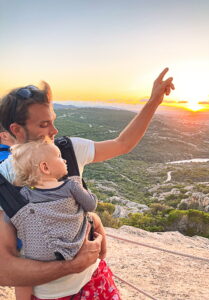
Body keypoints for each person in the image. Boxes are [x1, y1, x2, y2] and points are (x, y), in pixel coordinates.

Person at [0, 68, 174, 290]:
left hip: (96, 281)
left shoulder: (68, 149)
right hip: (48, 294)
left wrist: (153, 102)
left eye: (53, 120)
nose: (55, 130)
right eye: (44, 125)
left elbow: (122, 144)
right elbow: (4, 270)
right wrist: (73, 265)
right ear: (17, 130)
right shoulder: (5, 181)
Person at [8, 139, 119, 300]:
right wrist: (81, 187)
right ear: (45, 167)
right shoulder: (70, 185)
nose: (65, 160)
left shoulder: (25, 194)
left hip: (41, 256)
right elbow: (90, 205)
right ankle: (102, 253)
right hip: (75, 247)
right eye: (60, 157)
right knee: (93, 219)